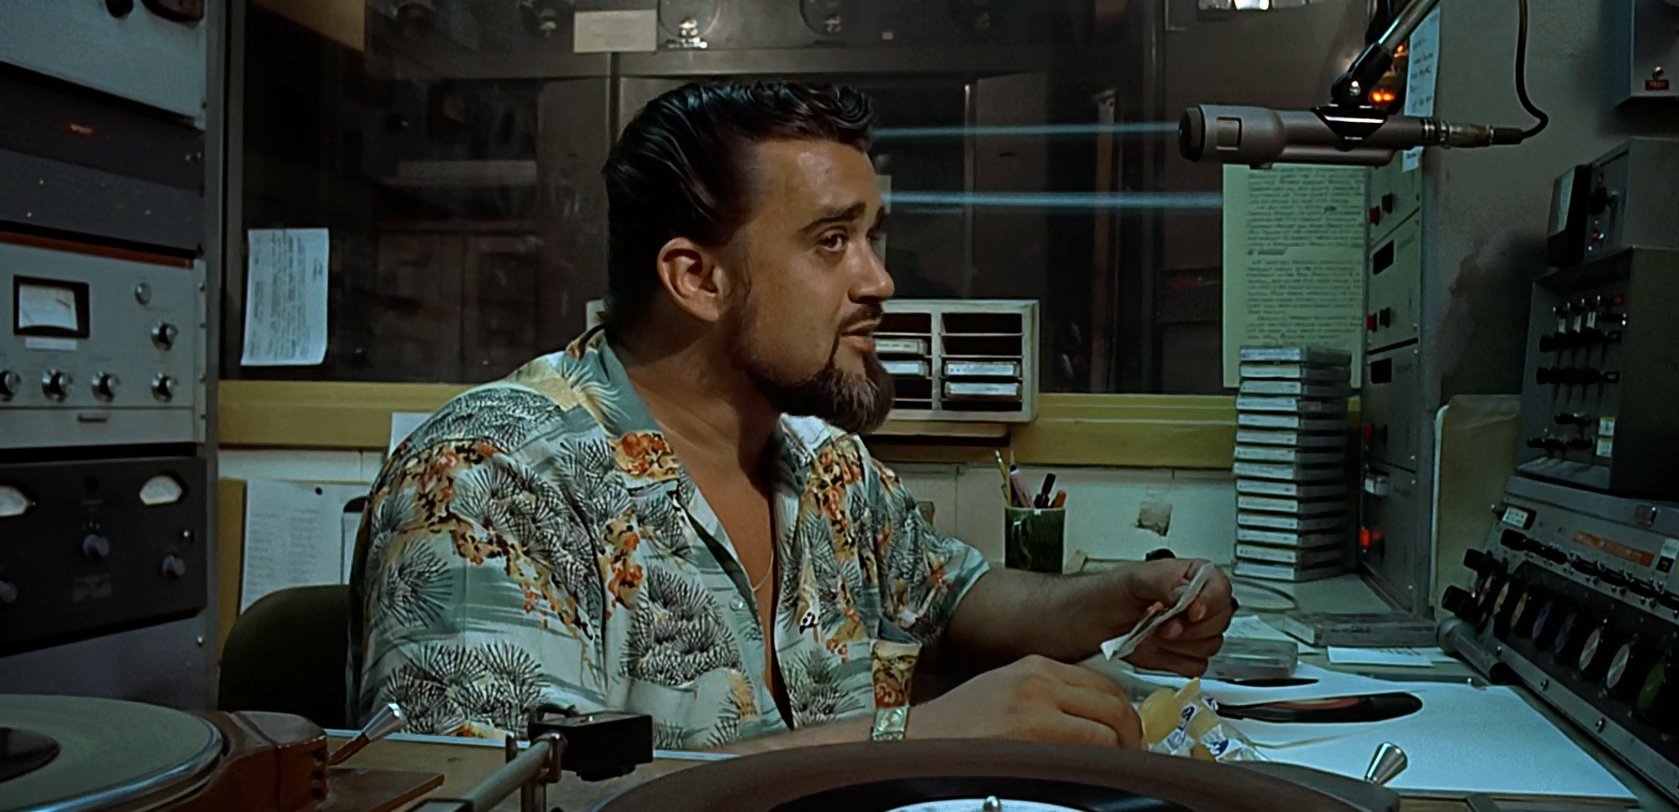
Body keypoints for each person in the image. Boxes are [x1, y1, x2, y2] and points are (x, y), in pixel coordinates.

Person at [352, 80, 1233, 753]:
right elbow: (513, 796)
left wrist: (1114, 601)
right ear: (698, 278)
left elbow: (954, 596)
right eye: (831, 241)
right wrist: (916, 735)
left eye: (872, 236)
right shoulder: (487, 479)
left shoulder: (823, 461)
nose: (879, 280)